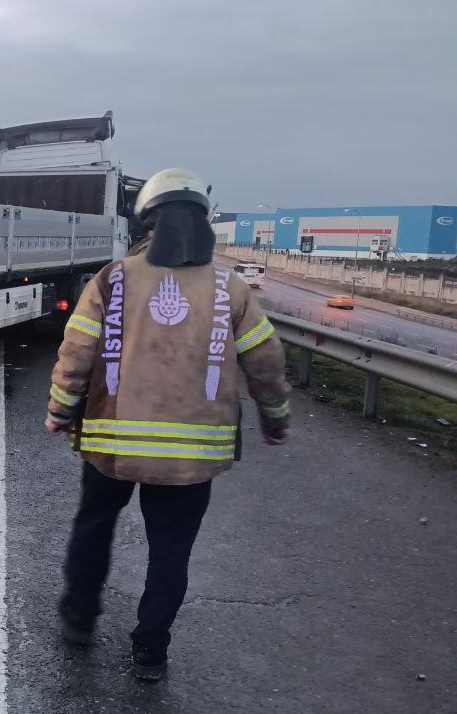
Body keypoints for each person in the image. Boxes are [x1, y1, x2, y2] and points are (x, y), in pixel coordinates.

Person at [44, 168, 290, 682]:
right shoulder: (230, 287)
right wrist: (274, 418)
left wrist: (60, 411)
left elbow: (77, 351)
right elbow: (265, 360)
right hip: (192, 456)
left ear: (146, 221)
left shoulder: (113, 278)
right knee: (171, 551)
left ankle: (79, 619)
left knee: (94, 526)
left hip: (111, 446)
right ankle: (150, 651)